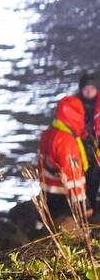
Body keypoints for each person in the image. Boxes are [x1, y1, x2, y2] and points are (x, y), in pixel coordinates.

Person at [39, 96, 92, 224]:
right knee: (73, 236)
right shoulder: (66, 140)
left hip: (48, 192)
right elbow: (72, 174)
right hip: (64, 197)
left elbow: (41, 164)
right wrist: (82, 203)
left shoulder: (48, 133)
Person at [55, 71, 100, 206]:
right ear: (81, 90)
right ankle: (85, 203)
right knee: (85, 175)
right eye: (86, 88)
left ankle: (90, 202)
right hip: (80, 145)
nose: (88, 91)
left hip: (96, 144)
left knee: (95, 174)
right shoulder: (72, 105)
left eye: (92, 88)